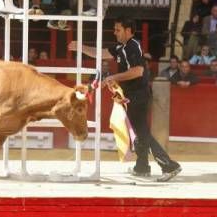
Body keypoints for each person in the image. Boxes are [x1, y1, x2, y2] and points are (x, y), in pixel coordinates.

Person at [69, 17, 182, 182]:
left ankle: (169, 165)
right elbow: (100, 53)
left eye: (118, 30)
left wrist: (114, 76)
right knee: (138, 131)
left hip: (138, 95)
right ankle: (142, 167)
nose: (115, 33)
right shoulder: (122, 47)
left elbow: (137, 71)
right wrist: (80, 47)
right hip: (133, 95)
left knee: (142, 133)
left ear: (128, 31)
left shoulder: (132, 46)